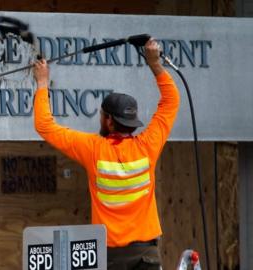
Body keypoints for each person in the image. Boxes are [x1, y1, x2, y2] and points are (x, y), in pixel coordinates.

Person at [33, 38, 180, 269]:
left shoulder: (93, 149)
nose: (100, 117)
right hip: (147, 254)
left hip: (109, 256)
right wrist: (155, 64)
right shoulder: (148, 145)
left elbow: (45, 126)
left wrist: (42, 83)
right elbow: (171, 101)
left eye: (102, 114)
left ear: (109, 121)